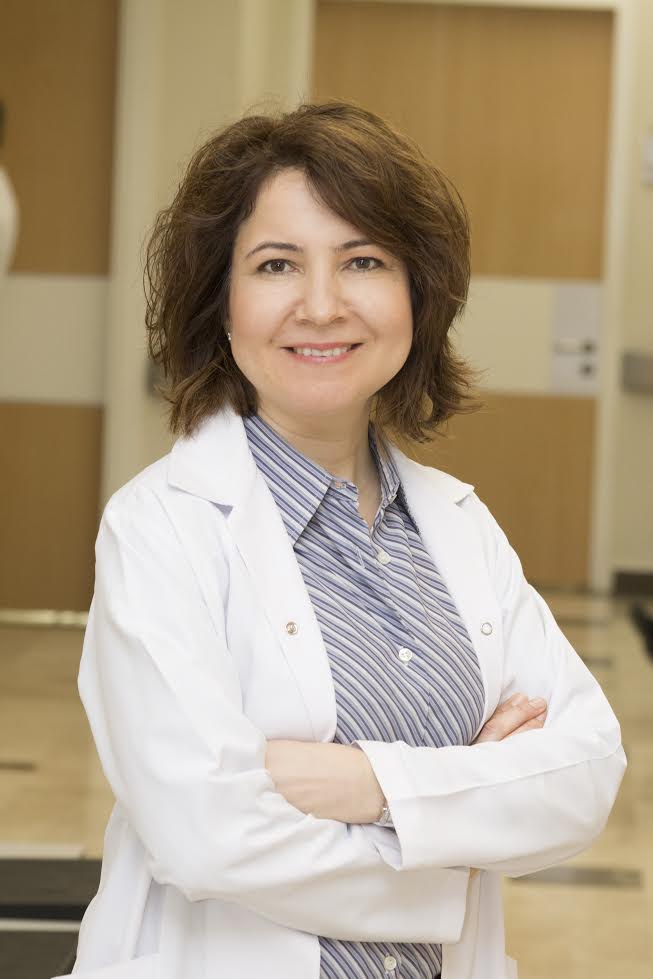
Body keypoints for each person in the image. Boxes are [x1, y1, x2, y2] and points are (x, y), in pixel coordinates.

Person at [59, 101, 626, 979]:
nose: (321, 306)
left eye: (363, 261)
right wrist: (457, 832)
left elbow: (582, 772)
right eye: (276, 264)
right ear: (221, 301)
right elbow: (207, 836)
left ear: (416, 296)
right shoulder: (160, 528)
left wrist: (366, 783)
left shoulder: (459, 526)